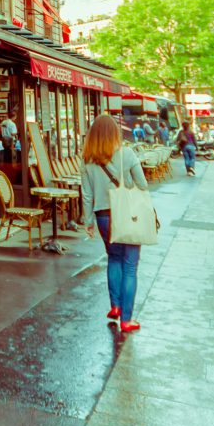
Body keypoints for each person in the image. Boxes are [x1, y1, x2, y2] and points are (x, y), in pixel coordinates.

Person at [80, 115, 148, 333]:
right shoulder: (127, 154)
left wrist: (88, 221)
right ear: (115, 133)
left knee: (114, 259)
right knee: (130, 266)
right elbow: (143, 184)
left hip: (102, 216)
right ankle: (127, 319)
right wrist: (125, 183)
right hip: (127, 215)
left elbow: (87, 196)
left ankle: (116, 306)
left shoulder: (88, 160)